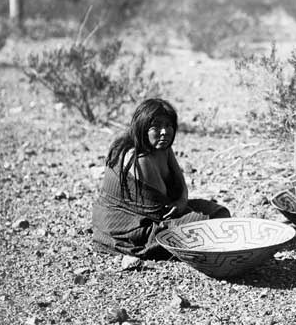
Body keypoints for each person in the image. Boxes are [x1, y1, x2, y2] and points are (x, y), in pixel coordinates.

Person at [92, 98, 230, 259]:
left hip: (162, 213)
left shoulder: (161, 146)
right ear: (143, 128)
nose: (164, 131)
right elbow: (160, 212)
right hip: (133, 228)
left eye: (168, 125)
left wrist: (182, 202)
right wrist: (185, 210)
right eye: (156, 126)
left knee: (220, 214)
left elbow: (181, 186)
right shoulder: (140, 158)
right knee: (210, 225)